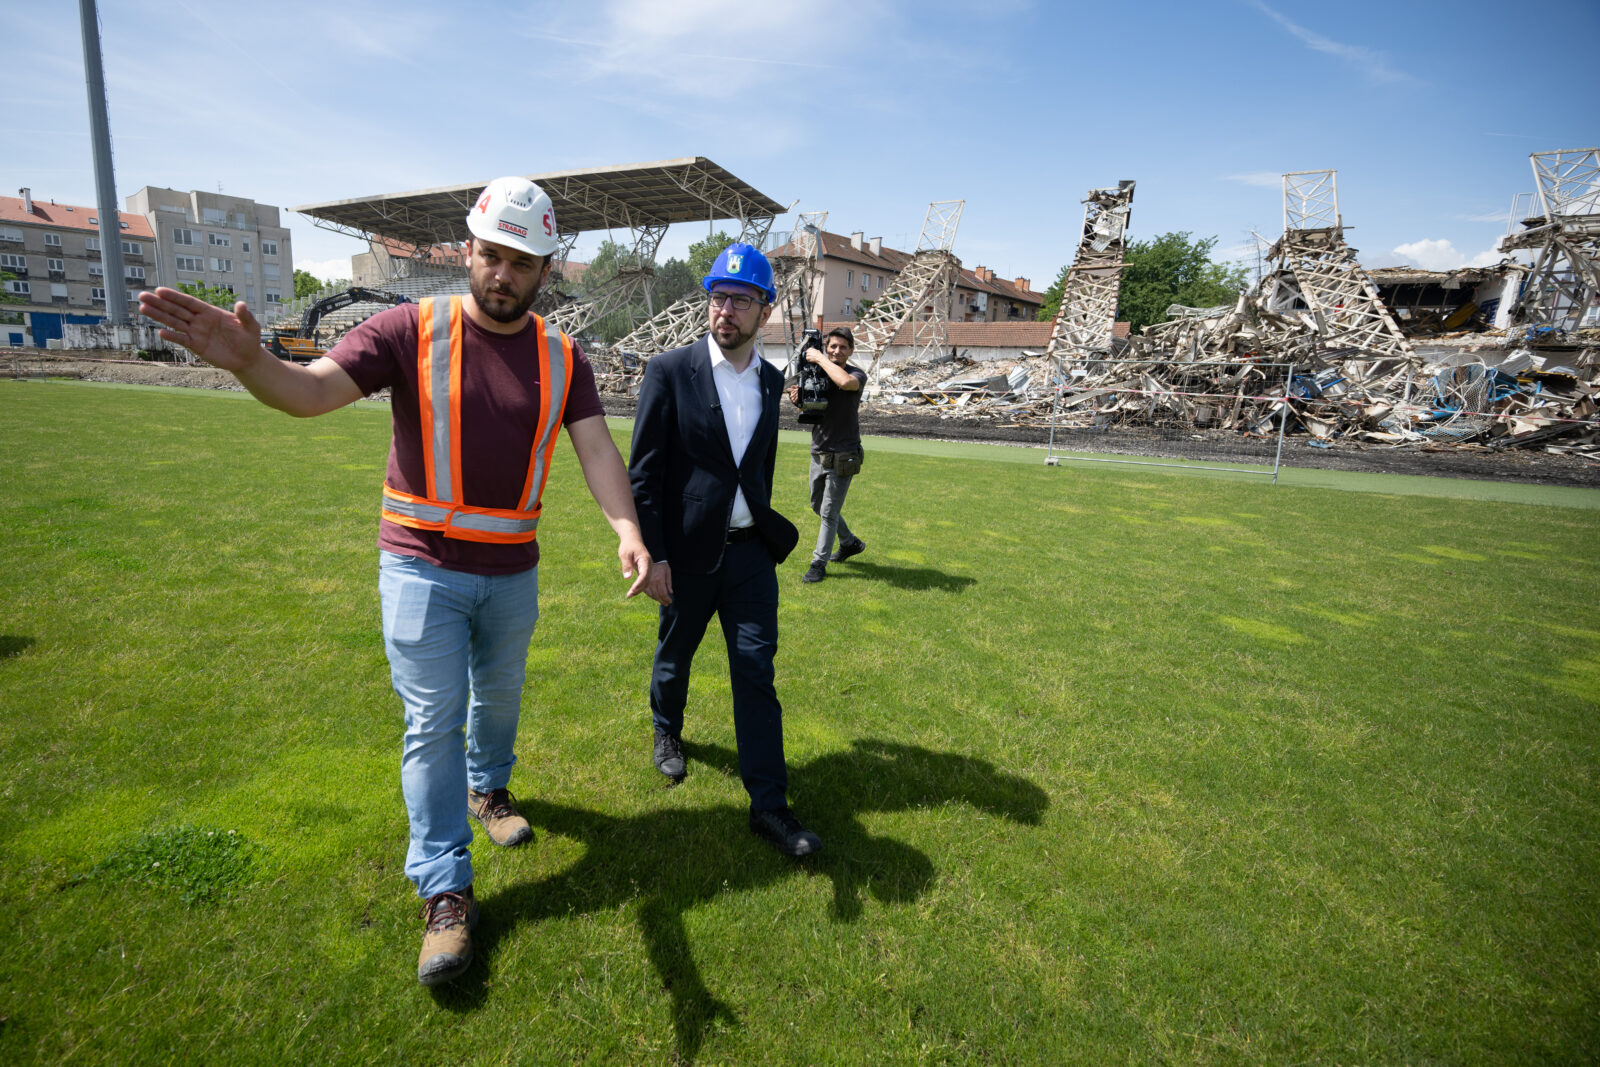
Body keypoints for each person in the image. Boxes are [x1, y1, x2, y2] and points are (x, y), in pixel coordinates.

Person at [137, 176, 651, 987]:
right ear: (468, 250)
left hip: (512, 572)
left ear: (546, 269)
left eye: (521, 262)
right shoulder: (410, 329)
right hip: (421, 567)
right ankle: (446, 889)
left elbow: (596, 451)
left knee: (501, 700)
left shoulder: (563, 356)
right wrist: (249, 362)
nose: (502, 274)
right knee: (431, 722)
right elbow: (309, 394)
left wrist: (627, 531)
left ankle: (490, 791)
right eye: (490, 255)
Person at [627, 243, 820, 857]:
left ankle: (770, 806)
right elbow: (645, 474)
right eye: (718, 297)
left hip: (749, 558)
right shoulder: (669, 370)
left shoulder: (769, 379)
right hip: (684, 554)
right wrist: (654, 555)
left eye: (740, 300)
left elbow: (757, 467)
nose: (726, 310)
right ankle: (667, 730)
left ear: (763, 311)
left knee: (756, 672)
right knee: (674, 654)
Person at [796, 326, 867, 584]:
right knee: (817, 505)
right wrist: (800, 398)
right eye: (832, 346)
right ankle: (849, 542)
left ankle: (818, 563)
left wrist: (819, 358)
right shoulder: (818, 372)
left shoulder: (855, 374)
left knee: (828, 511)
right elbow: (815, 406)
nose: (836, 350)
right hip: (819, 450)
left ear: (850, 351)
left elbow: (845, 383)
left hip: (844, 453)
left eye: (842, 347)